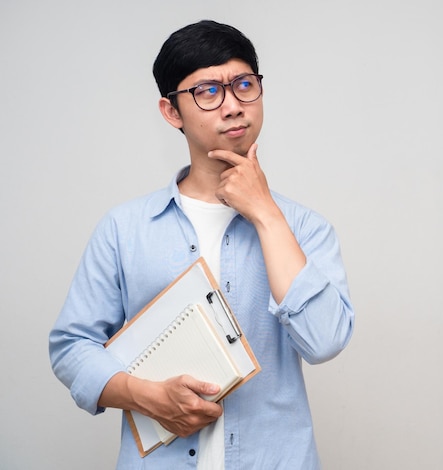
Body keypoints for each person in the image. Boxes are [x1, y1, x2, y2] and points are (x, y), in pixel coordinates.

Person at [49, 20, 354, 469]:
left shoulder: (306, 228)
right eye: (208, 91)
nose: (233, 106)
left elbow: (325, 341)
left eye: (244, 85)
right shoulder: (125, 229)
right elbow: (71, 347)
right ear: (172, 111)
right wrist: (146, 396)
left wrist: (266, 214)